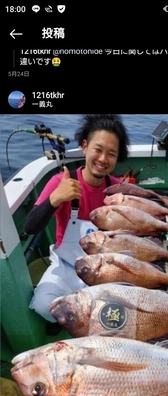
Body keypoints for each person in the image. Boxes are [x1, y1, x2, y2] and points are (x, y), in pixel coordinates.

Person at [24, 114, 130, 334]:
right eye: (98, 149)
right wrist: (56, 198)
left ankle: (81, 323)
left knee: (118, 317)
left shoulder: (118, 190)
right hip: (65, 264)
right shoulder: (61, 182)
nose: (103, 159)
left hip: (103, 269)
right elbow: (29, 227)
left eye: (111, 154)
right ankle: (64, 320)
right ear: (85, 146)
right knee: (44, 305)